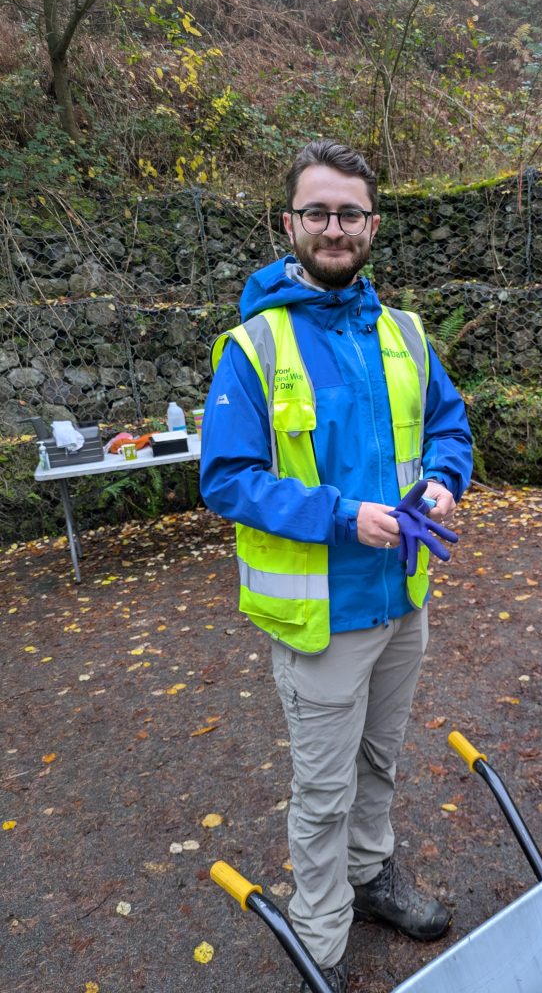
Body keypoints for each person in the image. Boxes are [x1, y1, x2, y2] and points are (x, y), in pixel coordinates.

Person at [199, 140, 473, 992]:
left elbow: (449, 428)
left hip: (403, 602)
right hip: (320, 616)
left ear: (372, 226)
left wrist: (441, 481)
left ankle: (371, 875)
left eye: (349, 212)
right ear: (289, 223)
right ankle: (319, 931)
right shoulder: (253, 345)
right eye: (316, 211)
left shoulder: (406, 334)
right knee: (321, 788)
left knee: (378, 764)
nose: (333, 227)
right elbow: (227, 479)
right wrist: (342, 516)